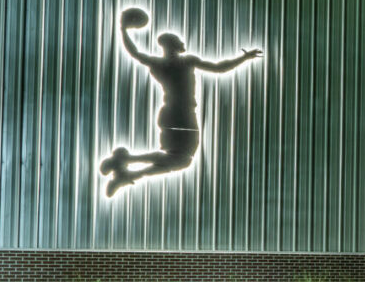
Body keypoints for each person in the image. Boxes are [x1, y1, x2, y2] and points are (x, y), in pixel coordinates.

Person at [99, 11, 260, 197]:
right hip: (183, 115)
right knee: (181, 159)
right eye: (179, 40)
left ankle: (124, 168)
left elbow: (135, 52)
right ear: (174, 45)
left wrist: (123, 29)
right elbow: (219, 68)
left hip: (168, 114)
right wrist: (244, 58)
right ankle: (126, 162)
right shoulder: (187, 62)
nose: (183, 43)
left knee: (174, 157)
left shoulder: (157, 64)